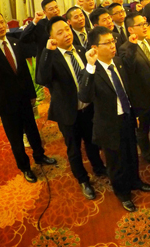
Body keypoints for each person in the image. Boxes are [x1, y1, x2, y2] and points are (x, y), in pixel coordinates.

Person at [0, 12, 56, 183]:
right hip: (6, 101)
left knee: (32, 130)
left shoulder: (14, 41)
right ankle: (25, 167)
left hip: (24, 97)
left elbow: (24, 72)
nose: (1, 26)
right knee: (16, 138)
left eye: (2, 22)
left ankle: (40, 156)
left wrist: (32, 94)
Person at [79, 26, 150, 212]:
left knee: (131, 153)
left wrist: (135, 113)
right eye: (107, 43)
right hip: (109, 124)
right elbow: (85, 96)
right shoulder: (91, 70)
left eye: (113, 41)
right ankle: (123, 193)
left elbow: (128, 89)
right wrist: (90, 65)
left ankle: (135, 181)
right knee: (116, 162)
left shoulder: (118, 62)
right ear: (95, 48)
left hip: (127, 116)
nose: (113, 45)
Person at [36, 17, 107, 199]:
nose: (66, 34)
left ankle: (99, 167)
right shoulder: (51, 56)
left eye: (67, 29)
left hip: (88, 108)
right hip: (68, 112)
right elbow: (42, 78)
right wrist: (47, 51)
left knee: (92, 141)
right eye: (60, 33)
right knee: (74, 149)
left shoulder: (81, 50)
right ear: (52, 38)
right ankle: (83, 180)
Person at [119, 12, 150, 168]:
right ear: (131, 29)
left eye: (145, 24)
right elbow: (128, 68)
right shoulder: (125, 48)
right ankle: (148, 154)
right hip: (141, 97)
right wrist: (133, 46)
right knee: (143, 129)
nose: (145, 27)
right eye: (140, 25)